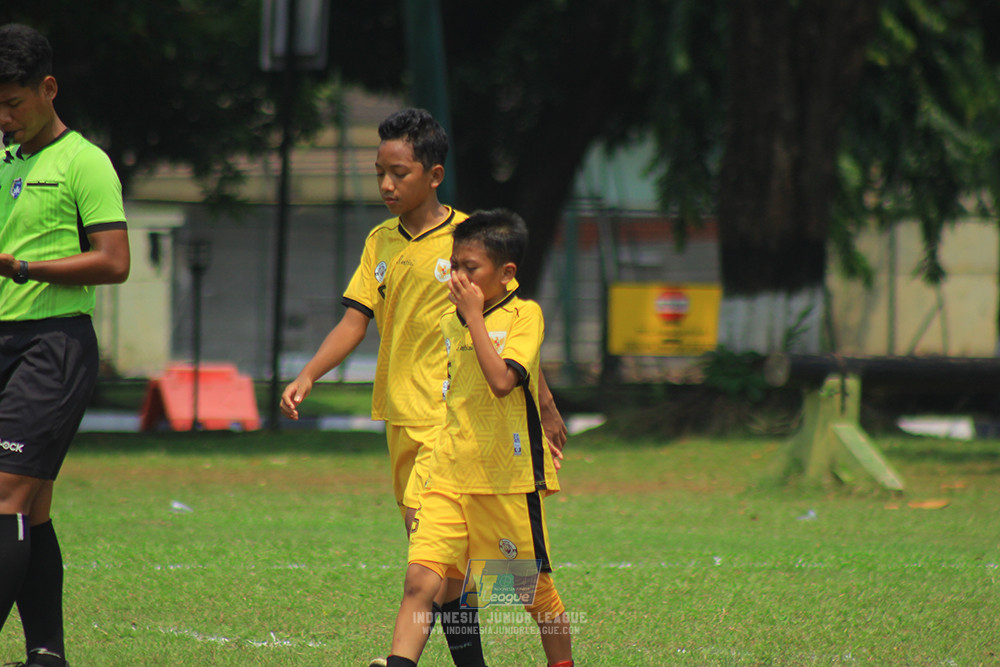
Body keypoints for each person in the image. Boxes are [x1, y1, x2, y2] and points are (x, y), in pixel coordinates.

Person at [280, 108, 566, 666]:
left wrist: (546, 405)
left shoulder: (468, 245)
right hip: (402, 421)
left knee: (427, 569)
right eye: (380, 172)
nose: (387, 184)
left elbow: (511, 330)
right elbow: (354, 321)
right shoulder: (380, 243)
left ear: (433, 175)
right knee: (448, 571)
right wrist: (308, 373)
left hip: (449, 425)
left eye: (400, 173)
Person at [382, 209, 573, 667]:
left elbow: (505, 380)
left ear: (506, 273)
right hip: (446, 473)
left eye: (471, 268)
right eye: (455, 265)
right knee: (420, 583)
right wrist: (467, 318)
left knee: (533, 596)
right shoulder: (455, 319)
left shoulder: (525, 315)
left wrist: (474, 320)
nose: (458, 276)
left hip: (503, 484)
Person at [0, 23, 131, 667]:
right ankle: (46, 653)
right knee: (34, 508)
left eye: (13, 103)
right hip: (3, 343)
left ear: (48, 89)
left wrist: (23, 268)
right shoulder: (3, 161)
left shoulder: (85, 162)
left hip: (52, 345)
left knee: (4, 498)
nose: (4, 117)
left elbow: (114, 262)